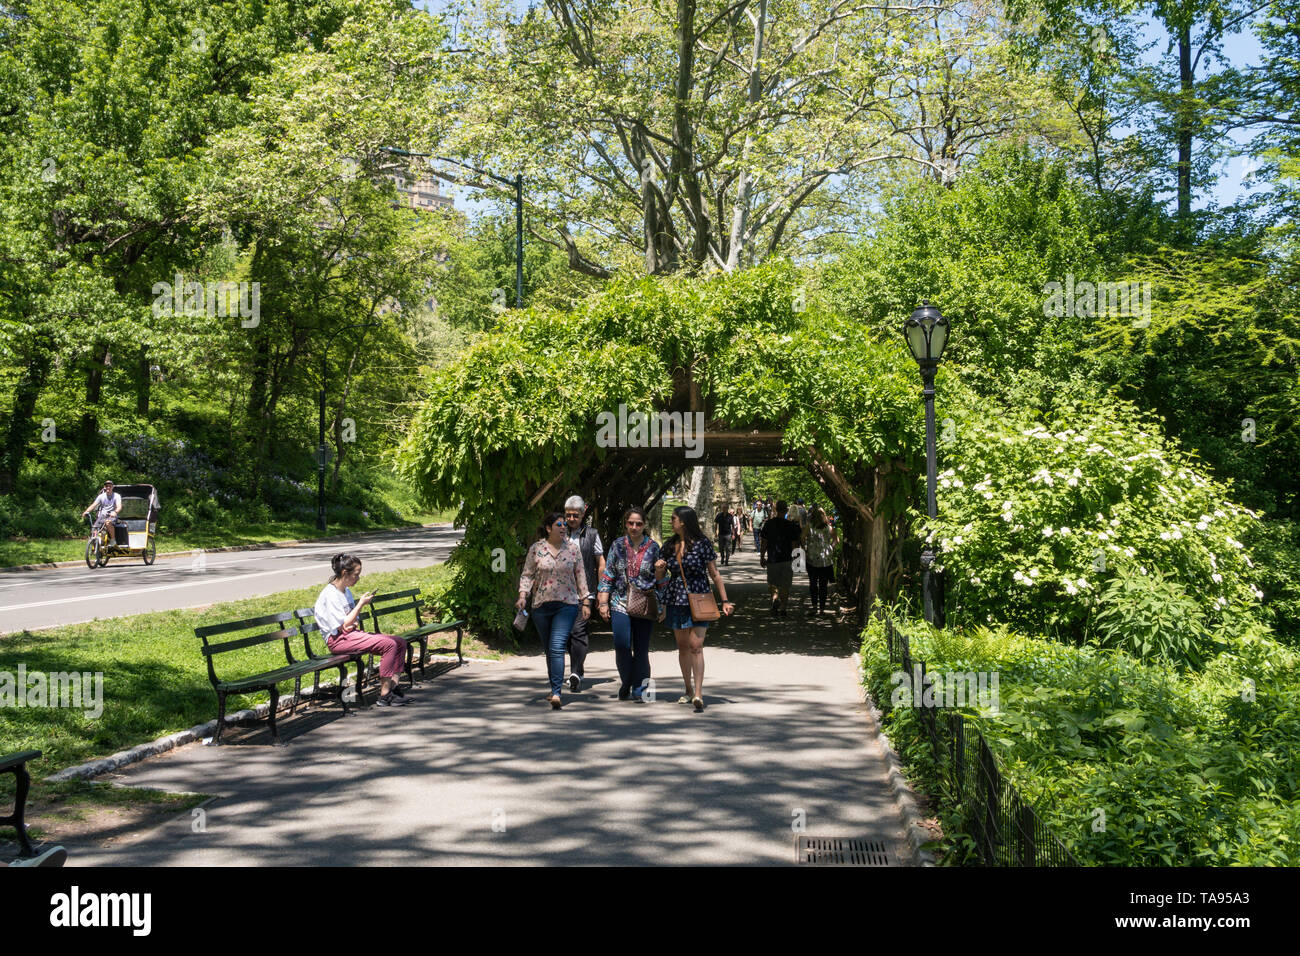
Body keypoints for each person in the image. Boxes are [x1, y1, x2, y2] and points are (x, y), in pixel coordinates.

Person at [655, 506, 734, 712]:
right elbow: (660, 579)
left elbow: (715, 574)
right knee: (682, 646)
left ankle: (699, 693)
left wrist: (724, 601)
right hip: (676, 598)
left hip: (700, 597)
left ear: (683, 521)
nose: (671, 521)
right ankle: (688, 689)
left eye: (674, 519)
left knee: (696, 646)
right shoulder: (669, 545)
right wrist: (659, 570)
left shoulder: (702, 544)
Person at [314, 553, 411, 707]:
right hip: (338, 640)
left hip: (350, 635)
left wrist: (352, 623)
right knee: (389, 645)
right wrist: (361, 604)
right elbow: (344, 624)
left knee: (399, 642)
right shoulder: (330, 594)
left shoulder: (346, 591)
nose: (358, 578)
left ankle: (393, 688)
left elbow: (349, 622)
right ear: (345, 573)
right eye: (356, 574)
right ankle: (385, 696)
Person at [518, 511, 590, 709]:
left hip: (566, 605)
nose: (563, 527)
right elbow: (527, 574)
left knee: (557, 646)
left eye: (564, 525)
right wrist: (523, 596)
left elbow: (581, 576)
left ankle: (557, 692)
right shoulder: (537, 549)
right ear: (549, 528)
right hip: (541, 605)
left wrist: (585, 601)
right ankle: (554, 686)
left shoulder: (573, 549)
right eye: (559, 524)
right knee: (550, 650)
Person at [598, 507, 662, 701]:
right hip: (619, 601)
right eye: (631, 523)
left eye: (639, 524)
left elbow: (660, 578)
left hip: (645, 602)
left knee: (641, 648)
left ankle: (641, 689)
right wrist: (603, 602)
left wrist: (663, 606)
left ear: (644, 525)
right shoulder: (617, 545)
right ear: (626, 524)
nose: (634, 527)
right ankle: (626, 681)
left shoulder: (653, 547)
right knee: (622, 645)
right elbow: (608, 574)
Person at [563, 496, 604, 690]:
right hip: (561, 592)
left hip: (585, 591)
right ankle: (576, 670)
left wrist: (602, 591)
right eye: (568, 515)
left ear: (583, 514)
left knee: (578, 630)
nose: (571, 519)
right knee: (567, 634)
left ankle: (576, 672)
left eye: (575, 515)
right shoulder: (558, 533)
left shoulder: (592, 535)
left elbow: (600, 563)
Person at [761, 500, 801, 616]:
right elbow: (794, 544)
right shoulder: (790, 526)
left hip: (773, 559)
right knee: (785, 585)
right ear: (786, 510)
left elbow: (764, 542)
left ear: (775, 509)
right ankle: (783, 608)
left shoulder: (769, 524)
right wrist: (796, 559)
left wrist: (762, 556)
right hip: (787, 559)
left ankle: (774, 598)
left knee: (772, 582)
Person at [802, 506, 840, 615]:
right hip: (825, 560)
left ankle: (814, 606)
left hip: (812, 559)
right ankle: (822, 608)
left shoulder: (809, 527)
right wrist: (831, 548)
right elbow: (836, 540)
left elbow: (802, 537)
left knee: (813, 583)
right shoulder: (829, 528)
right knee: (823, 584)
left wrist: (806, 548)